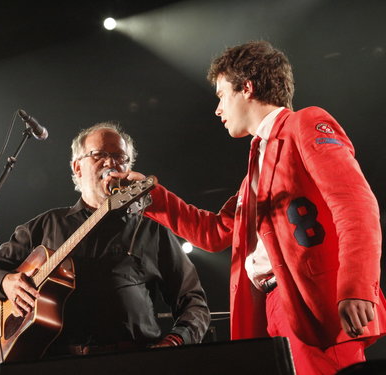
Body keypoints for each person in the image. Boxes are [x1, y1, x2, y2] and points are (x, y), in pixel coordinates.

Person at [112, 41, 386, 375]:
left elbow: (356, 204)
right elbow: (213, 234)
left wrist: (357, 288)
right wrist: (152, 196)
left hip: (315, 307)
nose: (217, 108)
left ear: (247, 88)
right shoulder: (255, 170)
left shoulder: (305, 123)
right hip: (272, 311)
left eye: (220, 94)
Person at [0, 122, 210, 360]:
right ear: (77, 168)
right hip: (58, 365)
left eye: (120, 157)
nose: (111, 163)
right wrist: (6, 282)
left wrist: (177, 341)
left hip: (134, 361)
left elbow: (193, 302)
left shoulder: (152, 230)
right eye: (99, 154)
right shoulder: (45, 226)